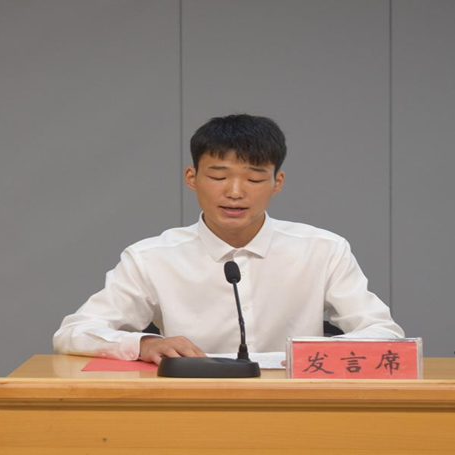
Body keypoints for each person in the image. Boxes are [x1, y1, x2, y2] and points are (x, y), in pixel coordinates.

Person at [53, 114, 404, 365]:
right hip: (190, 405)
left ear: (277, 183)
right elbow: (74, 333)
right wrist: (143, 344)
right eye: (219, 177)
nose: (235, 192)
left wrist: (313, 354)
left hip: (296, 403)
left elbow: (384, 333)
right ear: (192, 178)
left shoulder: (323, 250)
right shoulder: (151, 258)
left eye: (254, 179)